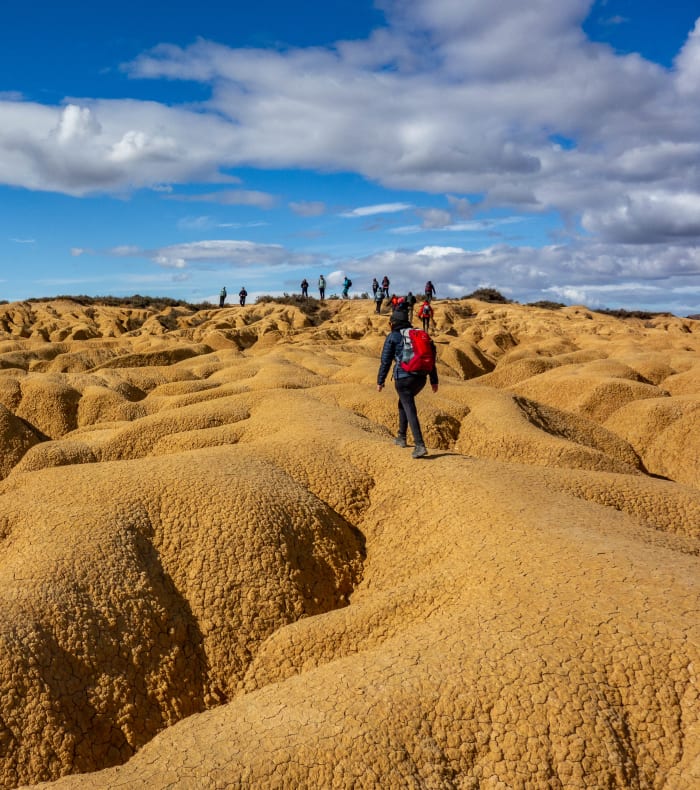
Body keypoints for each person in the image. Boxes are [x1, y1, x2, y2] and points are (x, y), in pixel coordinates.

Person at [376, 307, 438, 458]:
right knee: (403, 403)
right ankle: (401, 437)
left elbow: (385, 361)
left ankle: (419, 445)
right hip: (421, 378)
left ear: (393, 323)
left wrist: (380, 381)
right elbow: (431, 357)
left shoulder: (393, 336)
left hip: (404, 377)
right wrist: (433, 380)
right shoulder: (418, 335)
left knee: (409, 406)